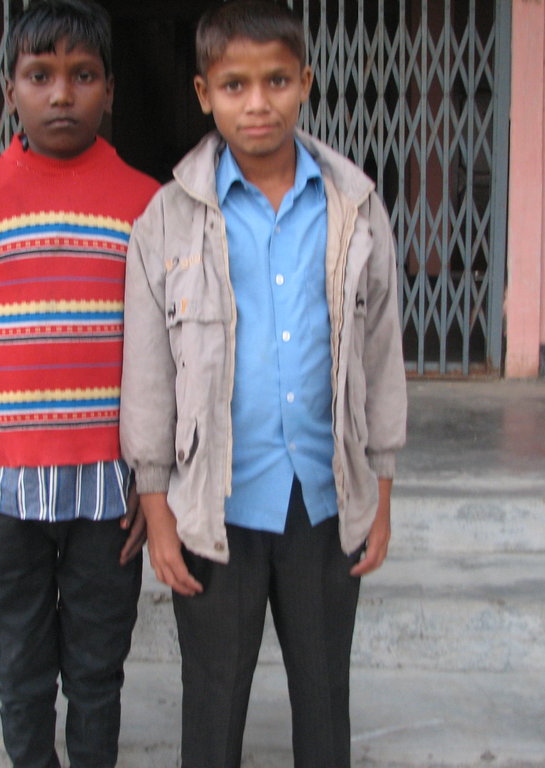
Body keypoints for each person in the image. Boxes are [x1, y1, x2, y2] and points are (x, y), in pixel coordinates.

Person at [120, 1, 407, 766]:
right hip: (215, 508)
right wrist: (157, 513)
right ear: (203, 92)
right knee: (212, 705)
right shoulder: (168, 219)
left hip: (323, 501)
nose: (258, 102)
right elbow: (147, 379)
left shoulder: (354, 206)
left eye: (277, 80)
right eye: (235, 84)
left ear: (305, 82)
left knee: (325, 699)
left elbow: (380, 359)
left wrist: (379, 499)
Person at [0, 1, 159, 765]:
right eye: (41, 75)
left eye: (82, 75)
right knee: (21, 672)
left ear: (110, 92)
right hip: (6, 495)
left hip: (109, 494)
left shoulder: (145, 203)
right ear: (10, 92)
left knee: (97, 672)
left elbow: (164, 356)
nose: (61, 94)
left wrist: (151, 479)